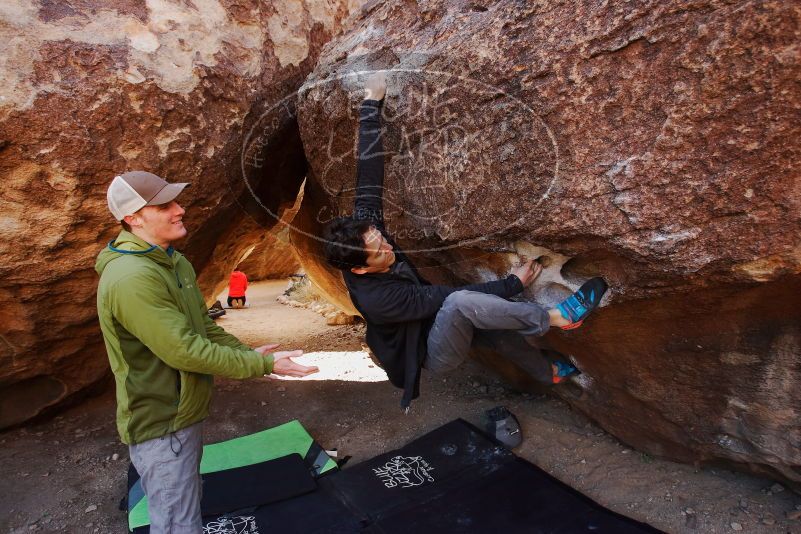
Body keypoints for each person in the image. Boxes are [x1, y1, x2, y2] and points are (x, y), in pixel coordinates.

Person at [323, 73, 607, 411]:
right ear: (360, 268)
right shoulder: (379, 298)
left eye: (380, 237)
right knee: (461, 305)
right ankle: (559, 317)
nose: (386, 245)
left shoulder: (366, 234)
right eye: (379, 251)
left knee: (501, 332)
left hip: (433, 322)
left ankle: (547, 372)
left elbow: (368, 173)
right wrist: (512, 283)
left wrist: (372, 103)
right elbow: (449, 298)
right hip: (431, 350)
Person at [95, 171, 318, 533]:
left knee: (186, 499)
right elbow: (182, 350)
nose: (180, 210)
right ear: (133, 218)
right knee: (176, 521)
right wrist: (257, 364)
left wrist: (248, 354)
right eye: (164, 205)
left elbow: (204, 326)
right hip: (162, 420)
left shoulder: (172, 261)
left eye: (176, 201)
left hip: (183, 411)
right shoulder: (132, 277)